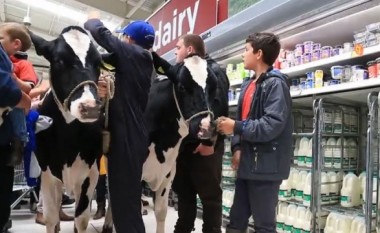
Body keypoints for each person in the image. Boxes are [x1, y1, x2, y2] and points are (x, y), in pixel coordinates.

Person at [84, 11, 155, 233]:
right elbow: (103, 60)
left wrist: (92, 19)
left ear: (130, 40)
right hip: (130, 136)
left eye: (124, 37)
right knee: (125, 199)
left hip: (128, 138)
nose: (122, 40)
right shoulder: (136, 61)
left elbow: (101, 34)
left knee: (125, 201)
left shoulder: (137, 54)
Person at [151, 34, 229, 233]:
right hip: (184, 146)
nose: (176, 51)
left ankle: (211, 230)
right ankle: (183, 228)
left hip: (203, 145)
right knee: (184, 194)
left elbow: (217, 108)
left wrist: (208, 142)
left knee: (209, 196)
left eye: (178, 47)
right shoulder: (186, 71)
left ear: (190, 50)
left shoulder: (212, 71)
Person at [216, 32, 293, 233]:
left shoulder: (275, 84)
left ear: (258, 54)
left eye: (246, 50)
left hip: (266, 168)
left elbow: (271, 125)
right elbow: (243, 120)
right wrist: (237, 147)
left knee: (264, 226)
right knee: (235, 222)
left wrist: (236, 127)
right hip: (248, 164)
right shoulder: (249, 85)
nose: (243, 54)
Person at [0, 22, 32, 232]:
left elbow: (29, 85)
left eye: (1, 37)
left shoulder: (19, 63)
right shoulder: (7, 60)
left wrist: (21, 89)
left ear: (16, 43)